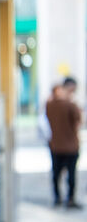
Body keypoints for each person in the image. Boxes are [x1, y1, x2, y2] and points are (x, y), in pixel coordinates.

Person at [46, 77, 82, 208]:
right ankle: (70, 199)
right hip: (71, 146)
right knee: (71, 175)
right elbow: (78, 121)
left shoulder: (49, 105)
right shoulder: (71, 105)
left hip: (55, 146)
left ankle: (57, 198)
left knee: (56, 174)